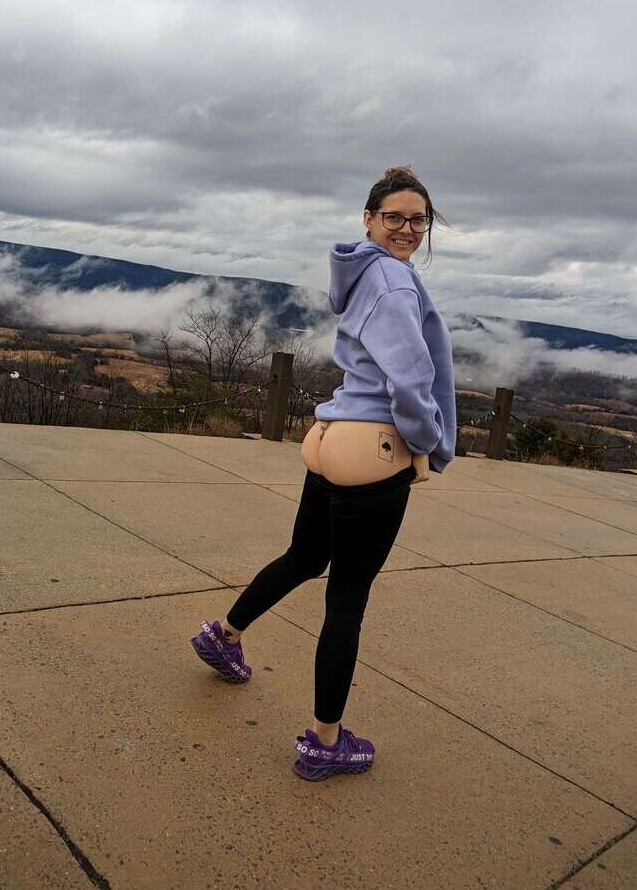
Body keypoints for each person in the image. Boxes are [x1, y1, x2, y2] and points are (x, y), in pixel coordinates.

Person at [190, 165, 456, 781]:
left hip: (330, 436)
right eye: (393, 216)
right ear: (369, 218)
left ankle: (224, 635)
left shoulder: (363, 271)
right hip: (373, 448)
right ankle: (325, 741)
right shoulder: (394, 281)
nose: (407, 228)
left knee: (305, 556)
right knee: (347, 600)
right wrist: (425, 444)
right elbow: (411, 379)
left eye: (418, 219)